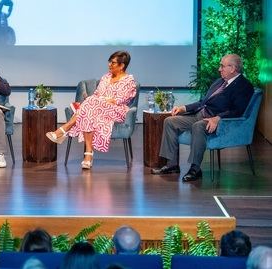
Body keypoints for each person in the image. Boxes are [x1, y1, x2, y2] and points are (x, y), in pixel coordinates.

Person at [152, 53, 254, 182]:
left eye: (222, 66)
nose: (219, 69)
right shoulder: (220, 82)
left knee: (198, 126)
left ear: (233, 68)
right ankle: (172, 164)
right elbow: (203, 102)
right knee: (170, 121)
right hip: (200, 115)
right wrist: (184, 107)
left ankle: (195, 168)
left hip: (217, 122)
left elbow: (238, 111)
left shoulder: (244, 86)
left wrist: (218, 118)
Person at [46, 51, 137, 169]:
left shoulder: (128, 81)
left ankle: (64, 130)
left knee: (90, 102)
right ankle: (88, 155)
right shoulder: (106, 77)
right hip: (97, 109)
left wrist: (101, 99)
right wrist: (101, 99)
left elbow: (119, 100)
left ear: (122, 65)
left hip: (117, 111)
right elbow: (97, 93)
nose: (109, 65)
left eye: (113, 63)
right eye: (109, 62)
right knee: (90, 107)